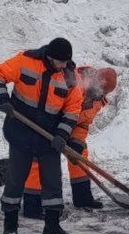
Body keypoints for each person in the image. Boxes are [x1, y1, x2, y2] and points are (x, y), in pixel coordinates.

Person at [0, 37, 84, 234]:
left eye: (66, 62)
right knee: (15, 180)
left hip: (48, 139)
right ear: (49, 57)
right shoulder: (25, 60)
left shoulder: (69, 76)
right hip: (20, 132)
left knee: (52, 183)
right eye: (60, 62)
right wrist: (2, 99)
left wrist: (61, 135)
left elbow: (73, 110)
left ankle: (52, 226)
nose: (63, 66)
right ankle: (10, 225)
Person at [22, 66, 118, 218]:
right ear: (94, 80)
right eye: (101, 90)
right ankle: (31, 206)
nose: (100, 95)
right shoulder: (70, 83)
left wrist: (76, 141)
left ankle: (82, 198)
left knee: (80, 153)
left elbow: (82, 124)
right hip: (43, 123)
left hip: (66, 128)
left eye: (104, 93)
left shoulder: (97, 101)